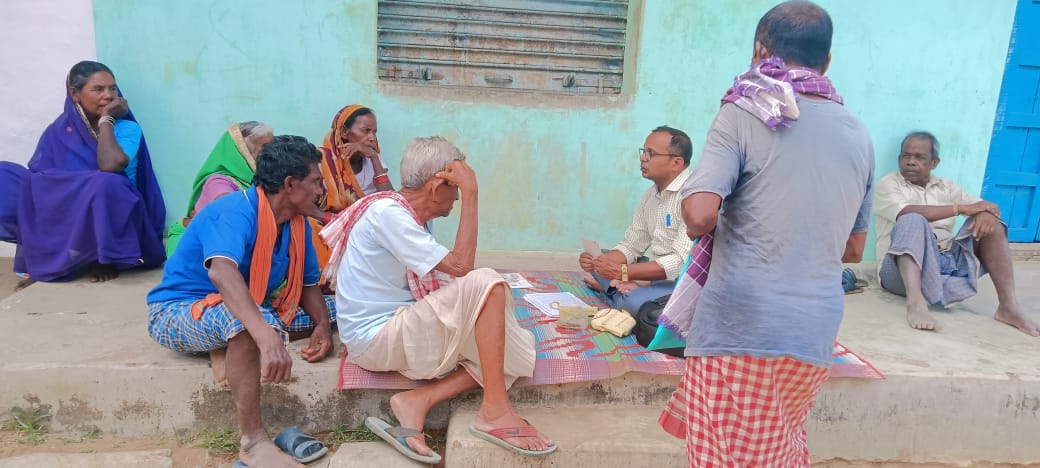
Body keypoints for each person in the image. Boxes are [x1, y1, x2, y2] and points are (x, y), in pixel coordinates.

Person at [658, 2, 874, 466]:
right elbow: (854, 248)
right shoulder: (860, 134)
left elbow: (698, 215)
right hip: (813, 335)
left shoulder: (743, 111)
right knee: (780, 450)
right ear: (827, 62)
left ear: (759, 51)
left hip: (740, 327)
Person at [322, 137, 555, 463]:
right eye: (456, 188)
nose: (458, 197)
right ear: (437, 185)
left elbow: (452, 274)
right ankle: (495, 412)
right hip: (376, 338)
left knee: (512, 351)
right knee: (488, 282)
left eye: (463, 191)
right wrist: (474, 194)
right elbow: (462, 266)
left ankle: (417, 401)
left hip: (401, 323)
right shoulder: (389, 214)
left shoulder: (409, 214)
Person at [147, 137, 334, 468]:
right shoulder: (234, 209)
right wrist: (264, 335)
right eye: (316, 181)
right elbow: (221, 272)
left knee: (344, 308)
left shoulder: (296, 223)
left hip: (254, 305)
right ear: (290, 185)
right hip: (178, 311)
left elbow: (307, 285)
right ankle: (253, 442)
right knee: (249, 323)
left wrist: (321, 326)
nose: (322, 190)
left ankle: (243, 341)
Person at [0, 60, 165, 285]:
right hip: (71, 210)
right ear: (75, 94)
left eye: (112, 88)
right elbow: (43, 179)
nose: (108, 95)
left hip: (118, 213)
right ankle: (49, 254)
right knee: (6, 177)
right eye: (98, 89)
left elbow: (110, 166)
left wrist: (107, 119)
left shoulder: (127, 128)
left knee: (107, 183)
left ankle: (104, 256)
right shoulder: (59, 131)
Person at [874, 131, 1039, 336]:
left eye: (919, 157)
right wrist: (958, 209)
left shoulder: (946, 187)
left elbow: (984, 206)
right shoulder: (888, 184)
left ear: (934, 162)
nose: (910, 162)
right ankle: (916, 303)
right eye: (906, 156)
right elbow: (904, 212)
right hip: (899, 271)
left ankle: (1008, 307)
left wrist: (986, 213)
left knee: (994, 226)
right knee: (913, 218)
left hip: (944, 265)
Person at [579, 126, 694, 313]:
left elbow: (679, 263)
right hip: (654, 276)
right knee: (601, 258)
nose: (643, 158)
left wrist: (624, 273)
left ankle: (617, 293)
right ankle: (627, 290)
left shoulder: (692, 197)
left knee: (632, 302)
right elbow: (632, 245)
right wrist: (599, 262)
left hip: (682, 283)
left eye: (651, 153)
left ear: (676, 163)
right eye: (643, 151)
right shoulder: (650, 195)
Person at [165, 122, 275, 256]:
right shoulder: (218, 181)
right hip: (197, 247)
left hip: (230, 242)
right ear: (244, 150)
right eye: (265, 147)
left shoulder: (261, 177)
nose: (273, 152)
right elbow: (230, 209)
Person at [310, 105, 393, 272]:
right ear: (344, 133)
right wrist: (338, 222)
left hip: (359, 227)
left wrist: (375, 158)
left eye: (374, 132)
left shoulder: (372, 160)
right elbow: (306, 206)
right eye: (365, 131)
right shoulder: (320, 160)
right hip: (325, 224)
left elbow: (389, 200)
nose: (371, 138)